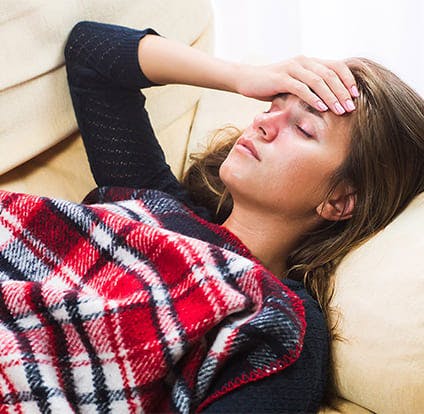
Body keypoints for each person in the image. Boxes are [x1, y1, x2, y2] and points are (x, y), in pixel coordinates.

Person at [0, 20, 422, 414]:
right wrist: (241, 76)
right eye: (274, 104)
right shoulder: (159, 200)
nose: (263, 124)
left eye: (304, 129)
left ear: (339, 200)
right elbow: (91, 51)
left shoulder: (281, 320)